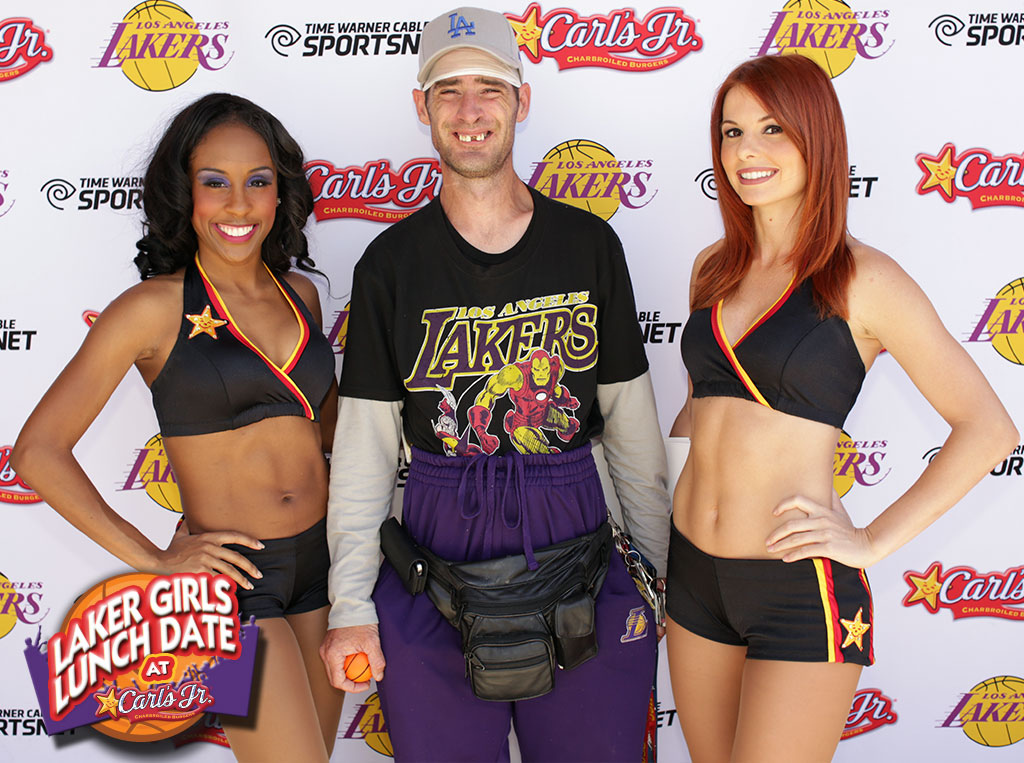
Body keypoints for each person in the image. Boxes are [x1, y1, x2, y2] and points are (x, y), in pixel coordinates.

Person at [318, 7, 671, 761]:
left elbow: (631, 427)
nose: (470, 110)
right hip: (436, 544)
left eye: (490, 88)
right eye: (448, 90)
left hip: (575, 535)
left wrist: (656, 572)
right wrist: (349, 605)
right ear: (422, 107)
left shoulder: (588, 245)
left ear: (522, 100)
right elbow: (365, 451)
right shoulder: (390, 264)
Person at [666, 54, 1018, 763]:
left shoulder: (864, 279)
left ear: (817, 136)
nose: (747, 150)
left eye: (772, 128)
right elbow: (702, 410)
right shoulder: (713, 267)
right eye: (732, 132)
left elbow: (989, 428)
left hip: (797, 586)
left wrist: (872, 541)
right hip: (693, 575)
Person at [13, 93, 343, 761]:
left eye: (258, 181)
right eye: (214, 182)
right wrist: (157, 559)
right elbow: (37, 452)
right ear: (183, 192)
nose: (238, 205)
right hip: (235, 579)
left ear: (280, 192)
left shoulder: (301, 294)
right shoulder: (151, 309)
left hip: (326, 564)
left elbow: (327, 433)